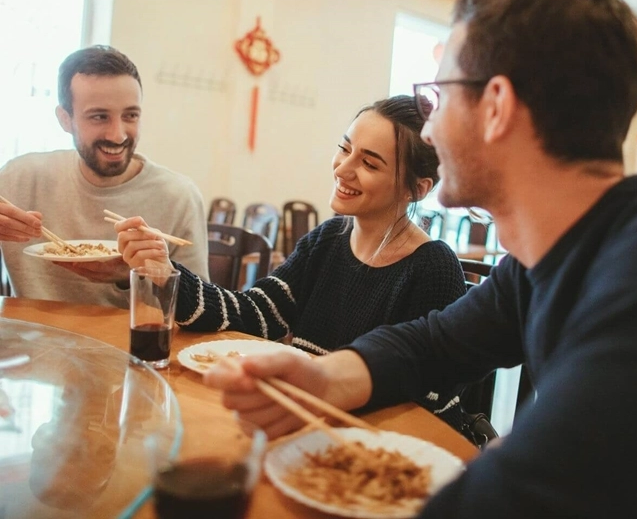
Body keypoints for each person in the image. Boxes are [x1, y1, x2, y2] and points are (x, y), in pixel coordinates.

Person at [203, 0, 637, 518]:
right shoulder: (547, 255)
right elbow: (435, 343)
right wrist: (323, 378)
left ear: (496, 107)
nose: (430, 130)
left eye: (437, 96)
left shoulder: (634, 281)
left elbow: (527, 488)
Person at [115, 95, 468, 426]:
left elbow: (430, 397)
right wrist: (166, 270)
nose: (343, 169)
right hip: (307, 420)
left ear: (418, 189)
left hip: (375, 443)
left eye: (369, 163)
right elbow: (255, 314)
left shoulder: (432, 268)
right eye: (344, 148)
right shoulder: (327, 240)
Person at [0, 45, 208, 308]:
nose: (118, 135)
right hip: (34, 344)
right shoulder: (18, 180)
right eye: (99, 116)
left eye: (130, 115)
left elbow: (200, 314)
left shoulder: (178, 197)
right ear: (65, 119)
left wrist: (136, 275)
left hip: (133, 347)